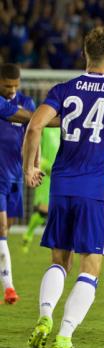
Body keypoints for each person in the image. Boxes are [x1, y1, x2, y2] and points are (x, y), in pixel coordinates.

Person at [23, 25, 104, 348]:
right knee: (90, 267)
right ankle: (64, 338)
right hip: (94, 191)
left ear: (84, 54)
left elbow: (35, 124)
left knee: (58, 261)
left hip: (61, 188)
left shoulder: (64, 90)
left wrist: (30, 167)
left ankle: (44, 318)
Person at [0, 63, 36, 304]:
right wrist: (45, 117)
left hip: (15, 176)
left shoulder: (28, 101)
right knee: (1, 229)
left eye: (15, 85)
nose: (12, 90)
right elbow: (31, 119)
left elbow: (34, 132)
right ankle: (9, 287)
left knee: (7, 229)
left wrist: (32, 165)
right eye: (6, 86)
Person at [21, 126, 61, 253]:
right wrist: (41, 164)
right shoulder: (45, 127)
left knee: (53, 211)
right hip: (45, 174)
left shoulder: (64, 128)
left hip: (60, 173)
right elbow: (33, 144)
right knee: (44, 209)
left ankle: (30, 234)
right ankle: (28, 234)